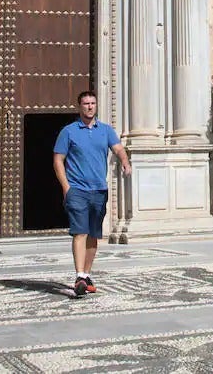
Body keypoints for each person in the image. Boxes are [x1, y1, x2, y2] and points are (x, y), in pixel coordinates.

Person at [53, 90, 131, 297]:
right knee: (80, 231)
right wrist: (66, 186)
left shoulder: (105, 130)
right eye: (86, 103)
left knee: (94, 234)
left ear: (96, 106)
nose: (89, 106)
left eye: (92, 103)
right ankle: (79, 274)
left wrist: (125, 161)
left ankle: (86, 275)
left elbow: (118, 149)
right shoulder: (68, 131)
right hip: (77, 190)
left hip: (99, 190)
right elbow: (58, 159)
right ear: (79, 107)